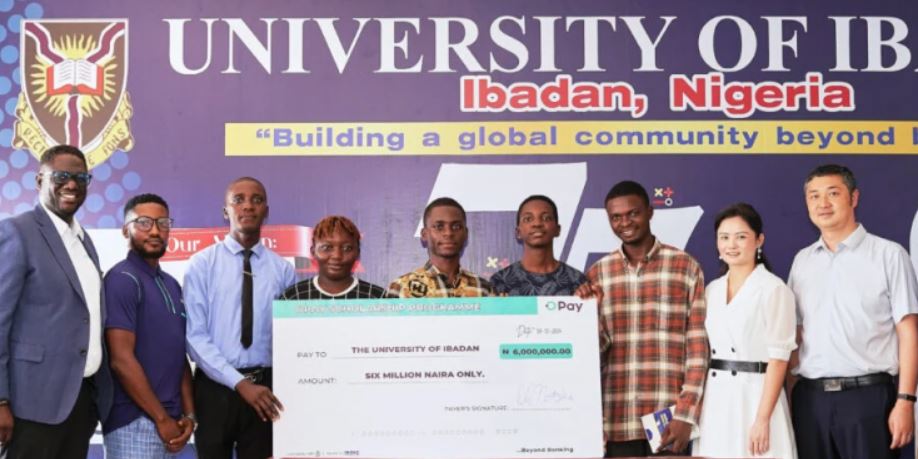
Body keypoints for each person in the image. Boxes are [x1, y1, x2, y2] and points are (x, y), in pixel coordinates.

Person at [788, 164, 918, 459]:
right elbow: (795, 336)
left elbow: (909, 331)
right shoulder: (802, 261)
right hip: (810, 401)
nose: (823, 204)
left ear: (853, 198)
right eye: (813, 196)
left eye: (833, 193)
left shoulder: (889, 255)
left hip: (868, 400)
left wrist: (906, 400)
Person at [577, 180, 707, 457]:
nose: (625, 222)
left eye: (633, 213)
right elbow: (592, 355)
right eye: (616, 217)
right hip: (616, 420)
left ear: (650, 212)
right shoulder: (598, 274)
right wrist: (585, 318)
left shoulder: (685, 267)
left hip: (667, 419)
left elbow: (697, 349)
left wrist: (686, 414)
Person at [0, 144, 113, 458]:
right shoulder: (16, 232)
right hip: (31, 404)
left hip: (79, 401)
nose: (72, 185)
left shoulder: (83, 239)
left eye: (81, 178)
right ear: (39, 180)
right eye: (61, 176)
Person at [184, 177, 296, 459]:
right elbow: (195, 336)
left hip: (266, 391)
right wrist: (239, 383)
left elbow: (290, 338)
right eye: (239, 199)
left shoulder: (283, 270)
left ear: (266, 211)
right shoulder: (202, 264)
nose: (248, 206)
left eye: (256, 200)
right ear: (226, 211)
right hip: (214, 390)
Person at [693, 203, 797, 459]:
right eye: (724, 237)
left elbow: (779, 359)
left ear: (759, 240)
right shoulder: (711, 290)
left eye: (741, 237)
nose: (732, 245)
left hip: (756, 396)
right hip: (717, 398)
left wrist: (762, 419)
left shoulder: (774, 289)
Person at [103, 194, 195, 457]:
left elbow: (179, 356)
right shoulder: (122, 279)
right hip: (135, 421)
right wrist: (161, 419)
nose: (155, 230)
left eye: (163, 223)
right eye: (144, 223)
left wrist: (188, 414)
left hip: (171, 421)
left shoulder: (171, 284)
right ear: (125, 230)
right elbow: (121, 360)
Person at [389, 197, 493, 298]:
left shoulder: (484, 289)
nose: (448, 233)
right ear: (424, 234)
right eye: (439, 226)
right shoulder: (401, 288)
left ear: (466, 234)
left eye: (456, 226)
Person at [490, 195, 587, 296]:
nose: (537, 223)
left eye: (546, 218)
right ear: (518, 232)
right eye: (528, 219)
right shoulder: (500, 282)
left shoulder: (578, 282)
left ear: (557, 230)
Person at [280, 216, 388, 299]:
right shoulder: (293, 297)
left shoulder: (378, 298)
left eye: (347, 248)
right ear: (313, 252)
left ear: (357, 253)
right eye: (327, 247)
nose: (337, 256)